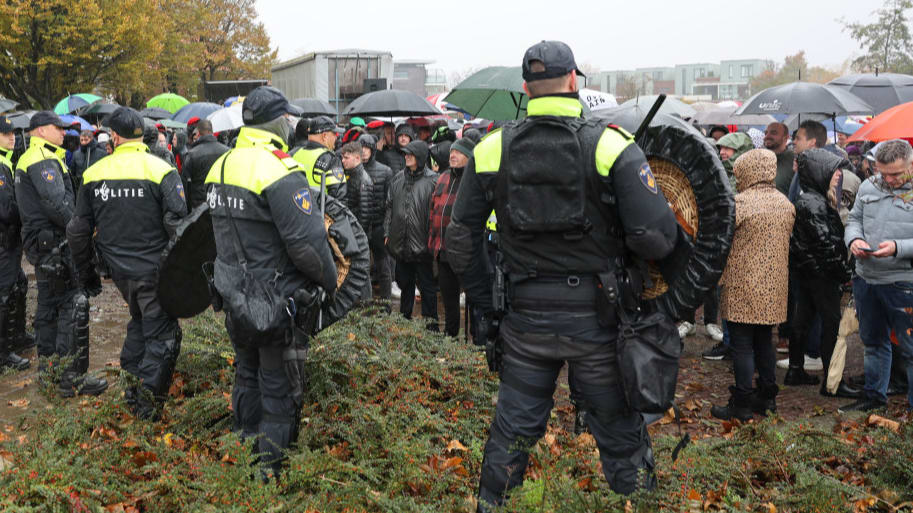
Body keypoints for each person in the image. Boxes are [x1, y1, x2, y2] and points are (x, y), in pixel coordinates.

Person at [445, 41, 680, 510]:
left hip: (524, 321)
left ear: (526, 87)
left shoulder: (491, 148)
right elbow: (656, 238)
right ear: (574, 80)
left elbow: (460, 240)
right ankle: (637, 503)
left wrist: (488, 309)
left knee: (511, 432)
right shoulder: (611, 145)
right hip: (598, 322)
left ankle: (491, 504)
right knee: (618, 433)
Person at [205, 86, 338, 475]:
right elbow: (308, 247)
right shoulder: (280, 169)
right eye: (288, 117)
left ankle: (243, 455)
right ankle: (269, 471)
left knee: (246, 375)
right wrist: (330, 283)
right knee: (278, 384)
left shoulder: (223, 165)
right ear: (278, 122)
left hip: (233, 294)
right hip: (274, 300)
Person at [67, 107, 188, 419]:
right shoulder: (161, 169)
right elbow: (179, 226)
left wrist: (87, 274)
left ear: (116, 137)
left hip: (120, 273)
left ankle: (132, 389)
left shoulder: (95, 173)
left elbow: (78, 231)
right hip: (155, 271)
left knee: (141, 320)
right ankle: (145, 408)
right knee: (164, 335)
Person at [15, 111, 108, 397]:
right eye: (58, 128)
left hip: (43, 246)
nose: (62, 133)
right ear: (41, 130)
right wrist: (81, 230)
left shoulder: (33, 156)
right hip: (54, 245)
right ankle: (71, 378)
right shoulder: (42, 159)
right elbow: (58, 205)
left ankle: (50, 372)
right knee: (72, 307)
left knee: (49, 309)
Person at [711, 149, 794, 420]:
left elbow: (721, 243)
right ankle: (767, 398)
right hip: (774, 287)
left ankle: (742, 403)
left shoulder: (739, 204)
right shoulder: (785, 203)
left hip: (742, 285)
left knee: (742, 344)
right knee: (764, 342)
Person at [840, 139, 913, 413]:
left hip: (904, 283)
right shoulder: (869, 186)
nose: (889, 179)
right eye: (883, 173)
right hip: (866, 278)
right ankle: (873, 397)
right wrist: (854, 240)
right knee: (872, 342)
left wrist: (898, 248)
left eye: (896, 173)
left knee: (910, 349)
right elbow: (854, 219)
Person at [784, 149, 857, 394]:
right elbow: (825, 243)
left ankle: (796, 370)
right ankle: (832, 382)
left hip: (808, 271)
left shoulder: (810, 199)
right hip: (820, 274)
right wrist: (844, 272)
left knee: (802, 319)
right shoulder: (814, 203)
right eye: (834, 170)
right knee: (831, 323)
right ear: (820, 172)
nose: (838, 175)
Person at [385, 140, 438, 328]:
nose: (406, 156)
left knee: (427, 288)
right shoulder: (398, 178)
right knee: (405, 284)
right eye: (405, 153)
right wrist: (387, 232)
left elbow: (437, 211)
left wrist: (433, 238)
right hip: (401, 243)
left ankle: (431, 329)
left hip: (423, 246)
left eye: (411, 154)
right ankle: (403, 325)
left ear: (421, 157)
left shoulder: (433, 180)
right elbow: (390, 206)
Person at [428, 137, 474, 337]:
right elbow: (433, 209)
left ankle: (476, 343)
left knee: (473, 302)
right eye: (451, 152)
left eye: (458, 153)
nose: (452, 156)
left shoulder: (473, 179)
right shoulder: (443, 176)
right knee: (449, 301)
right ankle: (451, 339)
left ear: (469, 157)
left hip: (464, 252)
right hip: (442, 249)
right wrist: (431, 240)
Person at [0, 115, 30, 371]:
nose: (12, 137)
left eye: (13, 133)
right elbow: (5, 209)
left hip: (8, 240)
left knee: (19, 284)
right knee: (4, 294)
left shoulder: (6, 162)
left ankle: (17, 337)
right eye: (6, 133)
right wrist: (27, 210)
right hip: (4, 240)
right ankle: (2, 354)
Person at [358, 134, 394, 303]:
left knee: (383, 266)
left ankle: (386, 304)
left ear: (372, 150)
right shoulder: (354, 170)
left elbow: (390, 203)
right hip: (361, 226)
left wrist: (387, 228)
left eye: (367, 148)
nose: (364, 152)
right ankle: (365, 303)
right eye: (361, 148)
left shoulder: (385, 171)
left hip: (379, 225)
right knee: (361, 267)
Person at [290, 116, 346, 201]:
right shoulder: (330, 159)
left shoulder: (293, 154)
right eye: (334, 134)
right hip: (319, 213)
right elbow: (339, 199)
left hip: (295, 211)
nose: (336, 137)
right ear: (324, 136)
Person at [182, 119, 228, 209]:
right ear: (212, 131)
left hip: (198, 207)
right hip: (221, 203)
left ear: (198, 133)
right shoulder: (227, 152)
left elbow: (185, 185)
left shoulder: (191, 154)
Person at [763, 122, 794, 196]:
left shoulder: (795, 159)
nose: (767, 136)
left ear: (786, 138)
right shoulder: (758, 158)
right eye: (766, 133)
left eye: (773, 133)